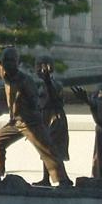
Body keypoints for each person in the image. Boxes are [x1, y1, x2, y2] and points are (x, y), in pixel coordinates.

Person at [0, 47, 71, 187]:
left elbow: (36, 102)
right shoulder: (4, 74)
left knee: (47, 149)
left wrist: (32, 102)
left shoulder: (26, 81)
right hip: (15, 122)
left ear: (17, 63)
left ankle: (62, 180)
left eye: (11, 61)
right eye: (5, 61)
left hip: (31, 122)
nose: (8, 64)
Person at [35, 54, 69, 185]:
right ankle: (46, 178)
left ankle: (62, 178)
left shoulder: (55, 84)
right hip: (44, 117)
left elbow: (54, 97)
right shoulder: (40, 85)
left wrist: (48, 80)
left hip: (55, 117)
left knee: (53, 148)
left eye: (40, 66)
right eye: (37, 66)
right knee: (45, 148)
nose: (38, 70)